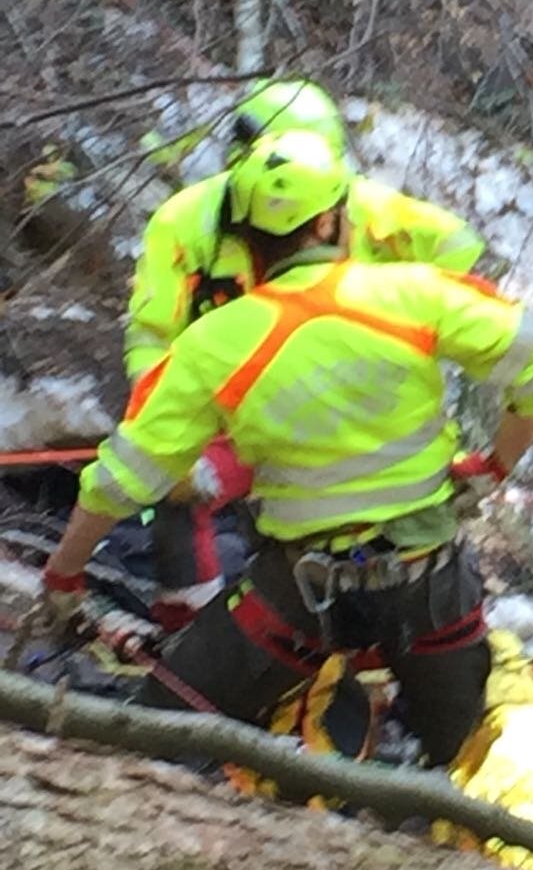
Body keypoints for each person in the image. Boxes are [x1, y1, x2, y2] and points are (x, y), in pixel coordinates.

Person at [41, 128, 533, 767]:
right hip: (427, 584)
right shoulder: (413, 294)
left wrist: (65, 573)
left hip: (295, 592)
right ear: (327, 222)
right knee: (464, 761)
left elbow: (123, 477)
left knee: (160, 727)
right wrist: (494, 465)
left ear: (246, 239)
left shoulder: (214, 343)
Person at [124, 78, 486, 631]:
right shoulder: (186, 224)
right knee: (173, 491)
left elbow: (456, 247)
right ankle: (191, 627)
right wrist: (161, 430)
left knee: (351, 531)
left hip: (337, 412)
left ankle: (332, 631)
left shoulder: (361, 207)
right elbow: (152, 334)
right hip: (232, 414)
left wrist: (397, 313)